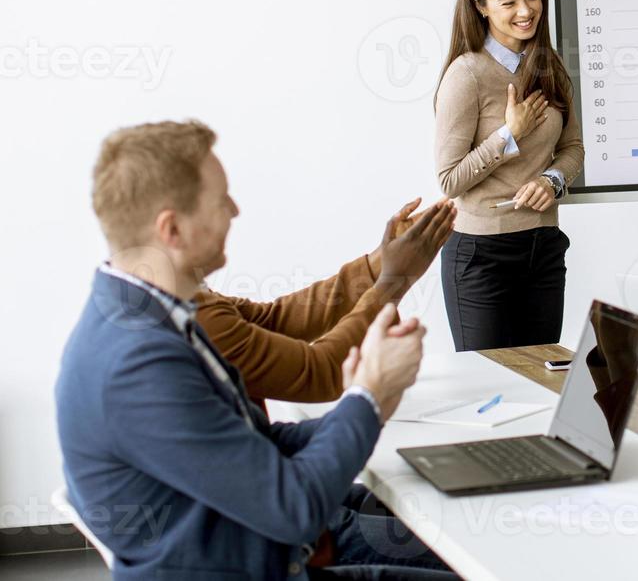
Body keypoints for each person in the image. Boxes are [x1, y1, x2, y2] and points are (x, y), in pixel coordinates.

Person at [56, 120, 460, 579]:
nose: (235, 209)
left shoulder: (150, 315)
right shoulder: (139, 362)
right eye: (220, 200)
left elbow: (258, 441)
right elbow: (294, 508)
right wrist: (368, 398)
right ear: (172, 229)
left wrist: (367, 402)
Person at [434, 0, 583, 351]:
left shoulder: (550, 66)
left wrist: (551, 180)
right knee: (490, 385)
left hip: (543, 248)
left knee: (539, 383)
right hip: (481, 257)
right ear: (481, 7)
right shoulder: (467, 74)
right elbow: (450, 180)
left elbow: (572, 148)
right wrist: (508, 135)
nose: (526, 11)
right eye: (509, 2)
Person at [197, 196, 448, 407]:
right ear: (170, 224)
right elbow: (317, 373)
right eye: (217, 199)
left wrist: (382, 261)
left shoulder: (186, 297)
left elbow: (270, 321)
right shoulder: (195, 317)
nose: (234, 209)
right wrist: (394, 282)